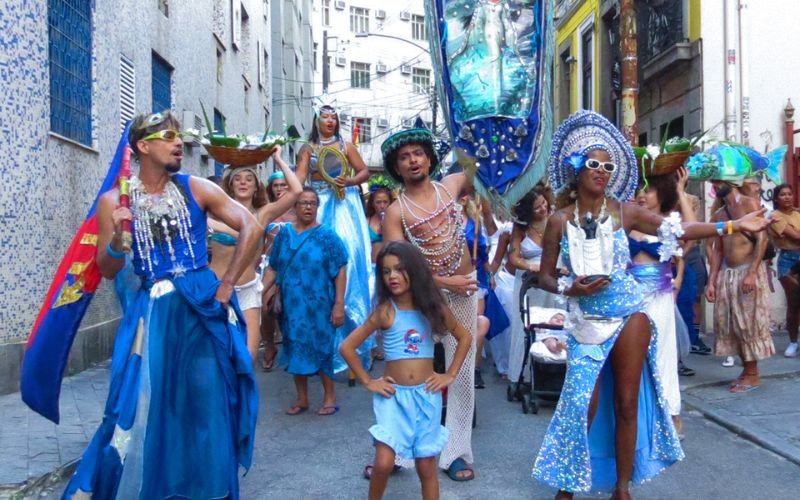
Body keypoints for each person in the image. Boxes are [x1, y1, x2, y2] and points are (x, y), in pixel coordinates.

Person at [531, 110, 770, 499]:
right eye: (593, 164)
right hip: (587, 319)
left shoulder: (626, 212)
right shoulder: (559, 220)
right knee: (580, 406)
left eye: (607, 165)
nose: (601, 171)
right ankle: (568, 485)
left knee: (627, 402)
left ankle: (622, 488)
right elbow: (544, 276)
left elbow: (680, 229)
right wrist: (570, 287)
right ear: (577, 169)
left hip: (629, 314)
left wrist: (732, 226)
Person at [63, 112, 260, 499]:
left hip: (201, 308)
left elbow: (250, 227)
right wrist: (118, 241)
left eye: (179, 137)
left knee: (208, 401)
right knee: (139, 404)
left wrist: (227, 283)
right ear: (143, 146)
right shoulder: (113, 201)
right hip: (151, 314)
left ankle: (209, 490)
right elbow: (106, 270)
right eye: (168, 136)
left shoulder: (196, 188)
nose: (178, 144)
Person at [381, 128, 479, 481]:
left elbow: (483, 169)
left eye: (418, 153)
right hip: (420, 300)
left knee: (462, 374)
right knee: (410, 376)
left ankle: (455, 452)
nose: (413, 160)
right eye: (404, 157)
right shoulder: (395, 213)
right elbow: (398, 265)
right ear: (397, 167)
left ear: (429, 158)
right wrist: (443, 281)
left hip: (464, 294)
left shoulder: (450, 186)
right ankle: (398, 453)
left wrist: (478, 134)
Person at [339, 241, 472, 500]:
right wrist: (368, 381)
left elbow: (464, 337)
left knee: (426, 466)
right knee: (384, 463)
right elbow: (347, 347)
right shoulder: (385, 311)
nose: (393, 277)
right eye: (386, 272)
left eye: (399, 270)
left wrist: (450, 375)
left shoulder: (432, 309)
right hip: (393, 398)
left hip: (426, 397)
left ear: (415, 271)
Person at [295, 95, 374, 371]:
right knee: (317, 267)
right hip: (318, 203)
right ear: (316, 120)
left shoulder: (346, 145)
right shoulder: (308, 148)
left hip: (344, 204)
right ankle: (321, 345)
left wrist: (350, 180)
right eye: (324, 116)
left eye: (333, 117)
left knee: (349, 263)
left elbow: (364, 172)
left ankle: (355, 343)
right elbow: (299, 179)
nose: (329, 121)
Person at [208, 146, 301, 361]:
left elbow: (296, 191)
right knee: (218, 355)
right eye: (237, 178)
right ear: (229, 184)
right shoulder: (214, 210)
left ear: (256, 185)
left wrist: (278, 158)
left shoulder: (263, 213)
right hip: (216, 289)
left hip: (248, 290)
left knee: (248, 357)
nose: (243, 182)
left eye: (248, 179)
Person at [262, 188, 348, 415]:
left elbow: (340, 268)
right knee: (294, 346)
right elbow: (273, 266)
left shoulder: (327, 235)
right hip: (292, 306)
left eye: (312, 203)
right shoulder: (284, 234)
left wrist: (339, 304)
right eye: (303, 203)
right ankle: (302, 399)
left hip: (320, 306)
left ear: (317, 207)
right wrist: (261, 292)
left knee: (322, 348)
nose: (308, 207)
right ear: (294, 207)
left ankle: (329, 397)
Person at [629, 167, 695, 438]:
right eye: (640, 190)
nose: (643, 195)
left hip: (660, 297)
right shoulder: (628, 219)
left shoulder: (668, 222)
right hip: (630, 297)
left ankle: (672, 415)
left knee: (663, 355)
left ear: (662, 193)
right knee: (633, 358)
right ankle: (637, 416)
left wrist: (680, 191)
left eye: (650, 190)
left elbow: (690, 234)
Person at [704, 175, 775, 389]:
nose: (715, 185)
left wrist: (752, 272)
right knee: (732, 324)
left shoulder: (749, 203)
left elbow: (762, 240)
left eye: (718, 181)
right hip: (728, 273)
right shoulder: (718, 214)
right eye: (712, 182)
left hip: (748, 271)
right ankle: (747, 370)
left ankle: (752, 373)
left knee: (748, 323)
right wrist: (712, 280)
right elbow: (718, 250)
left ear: (730, 181)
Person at [506, 187, 560, 387]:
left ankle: (554, 369)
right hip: (528, 281)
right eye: (537, 208)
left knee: (554, 320)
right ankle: (524, 373)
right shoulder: (521, 228)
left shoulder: (556, 219)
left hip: (553, 276)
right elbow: (513, 257)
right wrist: (532, 266)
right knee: (526, 324)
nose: (543, 209)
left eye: (544, 204)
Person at [260, 165, 298, 371]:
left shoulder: (299, 210)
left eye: (284, 184)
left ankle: (293, 350)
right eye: (276, 185)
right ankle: (269, 345)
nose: (280, 188)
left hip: (294, 265)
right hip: (269, 264)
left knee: (291, 309)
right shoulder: (266, 210)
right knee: (265, 307)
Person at [769, 184, 800, 357]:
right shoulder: (775, 216)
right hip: (788, 260)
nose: (787, 197)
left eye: (789, 194)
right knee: (793, 301)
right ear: (776, 198)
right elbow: (795, 236)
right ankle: (793, 342)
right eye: (783, 195)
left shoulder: (796, 214)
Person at [366, 185, 393, 263]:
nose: (382, 206)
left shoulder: (395, 222)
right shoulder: (365, 222)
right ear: (372, 204)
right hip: (371, 267)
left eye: (385, 202)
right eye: (378, 202)